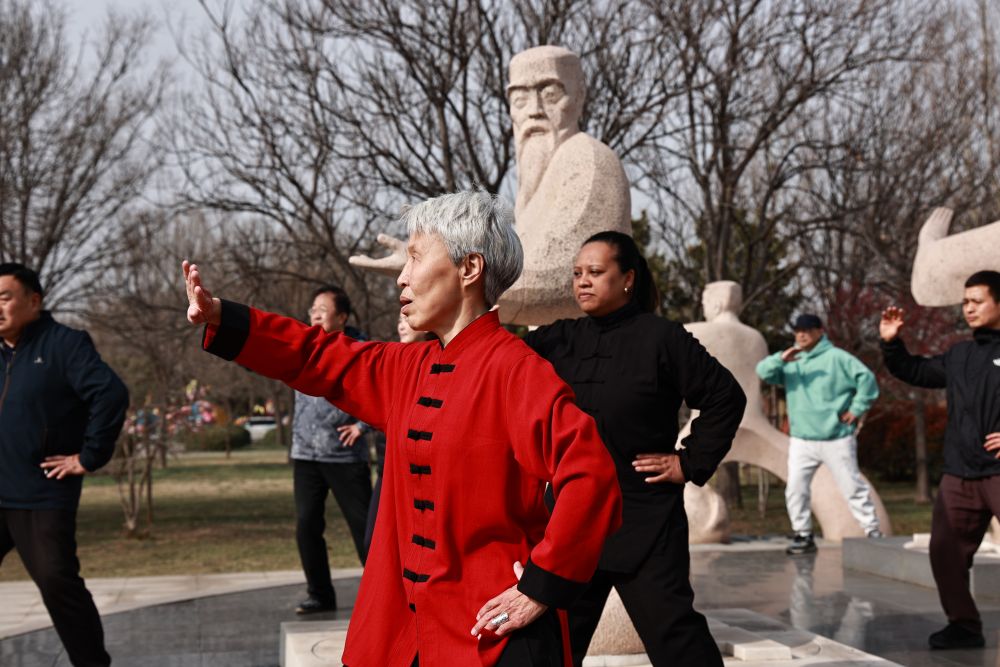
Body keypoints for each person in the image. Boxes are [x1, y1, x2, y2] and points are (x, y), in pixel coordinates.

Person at [182, 190, 622, 667]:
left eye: (416, 257)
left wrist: (540, 586)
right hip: (398, 631)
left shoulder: (518, 371)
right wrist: (222, 317)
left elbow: (591, 477)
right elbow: (315, 355)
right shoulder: (404, 367)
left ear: (469, 268)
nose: (402, 276)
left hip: (487, 638)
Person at [522, 231, 746, 667]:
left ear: (627, 278)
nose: (583, 281)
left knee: (676, 639)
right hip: (570, 522)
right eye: (577, 273)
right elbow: (495, 363)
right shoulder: (558, 339)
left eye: (595, 272)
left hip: (645, 518)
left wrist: (688, 462)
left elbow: (725, 397)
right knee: (549, 644)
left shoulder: (662, 338)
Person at [349, 46, 631, 326]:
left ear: (579, 95)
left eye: (550, 94)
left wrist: (437, 271)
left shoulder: (588, 158)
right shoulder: (539, 179)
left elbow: (558, 279)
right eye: (520, 99)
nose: (534, 111)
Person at [0, 263, 128, 667]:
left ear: (33, 301)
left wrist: (88, 457)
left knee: (57, 581)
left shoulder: (64, 345)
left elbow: (110, 394)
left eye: (4, 297)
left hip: (41, 490)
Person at [880, 270, 1000, 650]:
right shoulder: (960, 354)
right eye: (965, 302)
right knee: (945, 552)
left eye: (977, 301)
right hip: (959, 473)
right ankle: (964, 626)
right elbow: (916, 370)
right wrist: (892, 344)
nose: (968, 308)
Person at [756, 313, 881, 555]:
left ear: (819, 331)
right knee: (796, 490)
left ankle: (873, 531)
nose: (801, 335)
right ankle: (803, 535)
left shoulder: (838, 358)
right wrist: (780, 358)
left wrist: (857, 409)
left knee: (852, 487)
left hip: (837, 437)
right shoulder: (791, 361)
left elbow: (867, 380)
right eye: (797, 331)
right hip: (802, 440)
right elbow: (762, 372)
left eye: (807, 330)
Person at [291, 285, 375, 614]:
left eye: (322, 310)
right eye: (312, 309)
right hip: (305, 454)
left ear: (341, 317)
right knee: (306, 526)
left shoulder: (361, 350)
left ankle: (385, 596)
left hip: (344, 455)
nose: (315, 315)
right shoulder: (303, 346)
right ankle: (320, 594)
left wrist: (362, 426)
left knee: (365, 529)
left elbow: (381, 392)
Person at [362, 314, 434, 557]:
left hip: (421, 473)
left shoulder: (438, 361)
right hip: (387, 470)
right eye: (399, 320)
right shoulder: (391, 359)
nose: (401, 325)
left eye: (407, 318)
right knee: (373, 541)